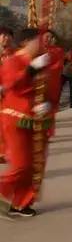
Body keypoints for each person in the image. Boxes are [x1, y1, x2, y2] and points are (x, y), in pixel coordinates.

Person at [0, 28, 54, 218]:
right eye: (37, 41)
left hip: (36, 118)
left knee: (34, 165)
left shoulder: (39, 62)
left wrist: (46, 104)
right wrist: (31, 69)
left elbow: (45, 89)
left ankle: (21, 203)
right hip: (16, 119)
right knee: (21, 164)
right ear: (26, 42)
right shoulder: (12, 61)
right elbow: (11, 84)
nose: (40, 44)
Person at [43, 31, 65, 138]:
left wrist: (45, 70)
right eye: (46, 36)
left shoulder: (58, 50)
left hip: (52, 83)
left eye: (50, 37)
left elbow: (58, 65)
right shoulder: (37, 50)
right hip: (39, 83)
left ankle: (49, 130)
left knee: (50, 107)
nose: (48, 39)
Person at [0, 27, 15, 164]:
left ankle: (7, 151)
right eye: (2, 35)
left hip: (12, 94)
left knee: (8, 123)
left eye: (8, 35)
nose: (5, 38)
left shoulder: (16, 54)